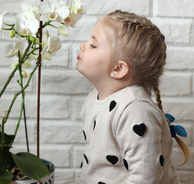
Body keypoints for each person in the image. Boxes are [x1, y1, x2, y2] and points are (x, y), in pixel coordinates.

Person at [76, 10, 189, 184]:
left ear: (118, 69)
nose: (82, 45)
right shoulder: (93, 98)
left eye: (93, 45)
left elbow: (145, 177)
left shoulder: (135, 110)